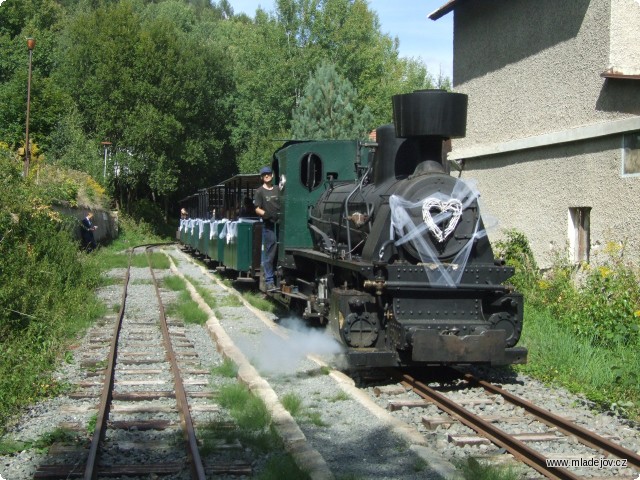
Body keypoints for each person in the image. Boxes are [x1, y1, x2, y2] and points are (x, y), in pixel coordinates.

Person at [254, 166, 280, 290]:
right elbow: (257, 208)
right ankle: (269, 280)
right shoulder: (259, 192)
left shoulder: (277, 189)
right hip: (268, 224)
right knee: (270, 251)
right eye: (264, 174)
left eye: (268, 174)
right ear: (261, 177)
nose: (267, 176)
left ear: (272, 175)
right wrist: (266, 214)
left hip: (279, 223)